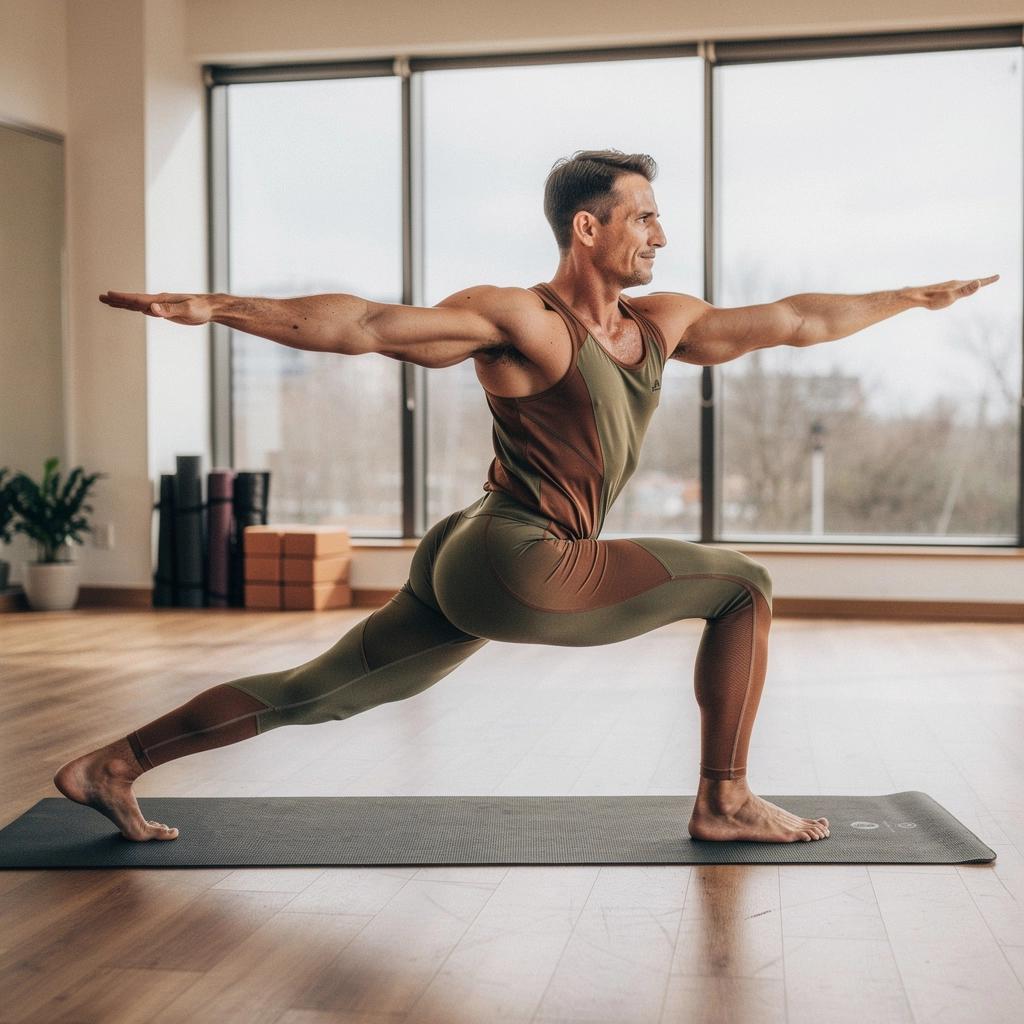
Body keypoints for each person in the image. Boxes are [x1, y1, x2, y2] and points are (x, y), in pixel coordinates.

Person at [56, 148, 997, 844]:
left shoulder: (660, 324)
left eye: (660, 219)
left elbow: (793, 319)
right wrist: (222, 308)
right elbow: (372, 326)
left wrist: (908, 298)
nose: (660, 235)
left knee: (322, 692)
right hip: (519, 556)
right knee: (742, 584)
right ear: (588, 228)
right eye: (643, 218)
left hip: (471, 549)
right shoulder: (524, 320)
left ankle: (116, 764)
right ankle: (724, 797)